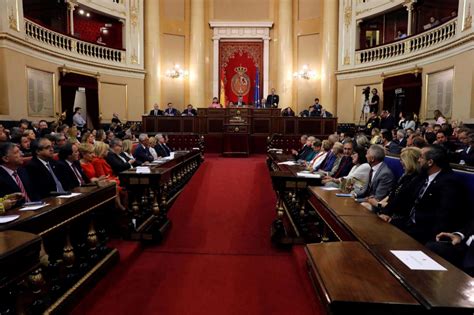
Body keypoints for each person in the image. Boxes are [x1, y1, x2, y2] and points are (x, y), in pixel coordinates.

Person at [400, 145, 469, 245]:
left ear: (430, 162)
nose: (418, 160)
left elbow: (444, 215)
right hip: (410, 222)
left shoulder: (450, 181)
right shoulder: (423, 176)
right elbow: (403, 195)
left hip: (425, 231)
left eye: (421, 157)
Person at [371, 147, 422, 222]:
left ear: (410, 162)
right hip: (388, 210)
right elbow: (392, 194)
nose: (400, 162)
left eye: (402, 160)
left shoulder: (416, 180)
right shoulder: (405, 176)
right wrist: (380, 206)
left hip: (399, 216)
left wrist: (378, 204)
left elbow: (400, 205)